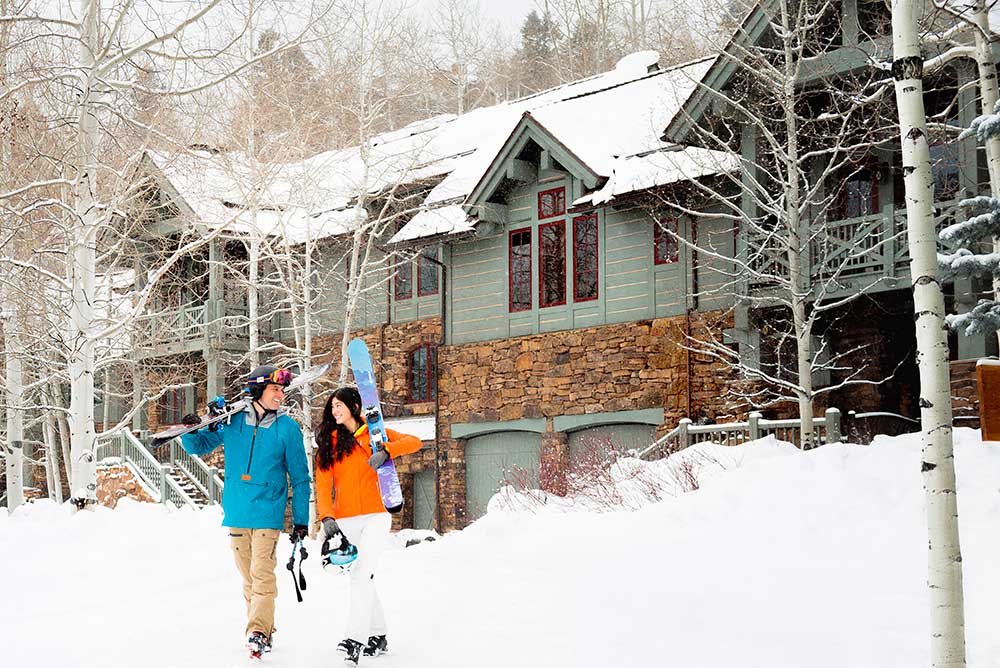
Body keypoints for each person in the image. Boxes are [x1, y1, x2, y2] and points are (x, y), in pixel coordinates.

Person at [180, 365, 311, 661]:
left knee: (262, 575)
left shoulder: (287, 428)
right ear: (258, 391)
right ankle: (265, 628)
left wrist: (301, 520)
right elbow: (197, 447)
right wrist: (195, 427)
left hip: (268, 511)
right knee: (249, 579)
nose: (280, 395)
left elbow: (301, 478)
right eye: (275, 389)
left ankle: (257, 632)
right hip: (238, 511)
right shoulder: (233, 421)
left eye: (282, 390)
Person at [314, 386, 422, 666]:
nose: (335, 410)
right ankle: (378, 634)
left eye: (340, 405)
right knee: (360, 577)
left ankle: (354, 640)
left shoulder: (374, 435)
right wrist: (327, 518)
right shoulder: (329, 443)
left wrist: (387, 451)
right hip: (345, 519)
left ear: (354, 407)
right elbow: (324, 485)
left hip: (376, 515)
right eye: (332, 406)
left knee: (362, 575)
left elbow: (414, 442)